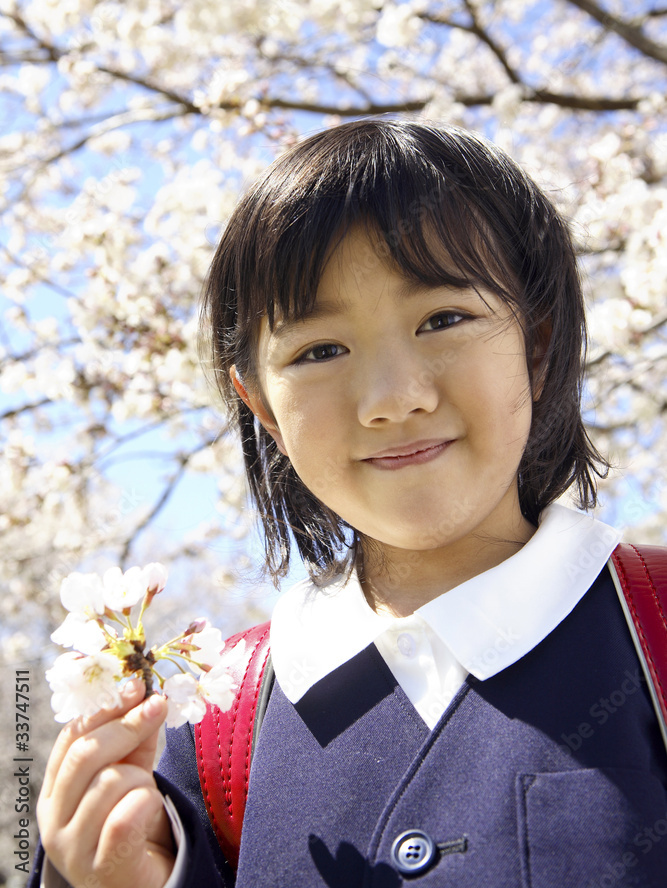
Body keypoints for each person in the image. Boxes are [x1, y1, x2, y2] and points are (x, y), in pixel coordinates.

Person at [31, 120, 667, 888]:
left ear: (536, 346)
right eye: (319, 351)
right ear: (262, 408)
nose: (392, 398)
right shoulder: (209, 730)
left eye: (442, 319)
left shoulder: (651, 632)